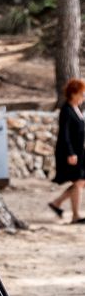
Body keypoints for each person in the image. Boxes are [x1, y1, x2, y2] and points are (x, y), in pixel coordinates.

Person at [49, 78, 85, 224]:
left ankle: (57, 203)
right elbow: (64, 134)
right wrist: (70, 153)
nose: (83, 97)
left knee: (81, 181)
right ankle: (76, 215)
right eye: (82, 94)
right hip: (70, 153)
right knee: (78, 181)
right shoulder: (66, 110)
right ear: (73, 93)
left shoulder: (77, 109)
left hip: (79, 152)